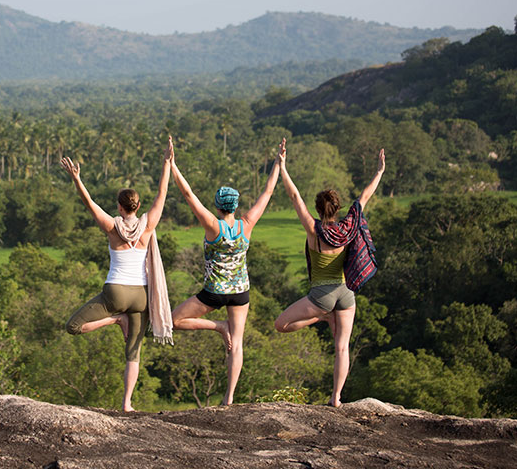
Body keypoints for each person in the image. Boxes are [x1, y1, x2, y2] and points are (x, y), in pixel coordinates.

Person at [61, 138, 174, 412]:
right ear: (137, 206)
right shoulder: (148, 224)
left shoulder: (112, 225)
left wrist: (77, 178)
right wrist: (167, 163)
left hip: (115, 293)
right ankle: (127, 404)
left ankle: (114, 320)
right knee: (133, 353)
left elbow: (88, 202)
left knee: (73, 327)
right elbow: (162, 193)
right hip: (141, 296)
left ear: (121, 207)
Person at [170, 138, 284, 406]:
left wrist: (173, 165)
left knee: (174, 321)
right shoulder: (247, 224)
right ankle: (229, 398)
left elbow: (188, 195)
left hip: (213, 293)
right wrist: (278, 164)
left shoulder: (213, 226)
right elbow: (267, 193)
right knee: (239, 343)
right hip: (240, 292)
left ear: (219, 206)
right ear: (235, 206)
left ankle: (219, 327)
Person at [274, 145, 385, 407]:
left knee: (281, 325)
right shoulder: (348, 226)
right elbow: (365, 197)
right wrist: (380, 171)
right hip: (346, 294)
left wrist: (282, 167)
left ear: (318, 209)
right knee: (342, 347)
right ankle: (336, 398)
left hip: (320, 297)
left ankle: (322, 318)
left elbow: (294, 196)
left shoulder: (314, 230)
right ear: (337, 208)